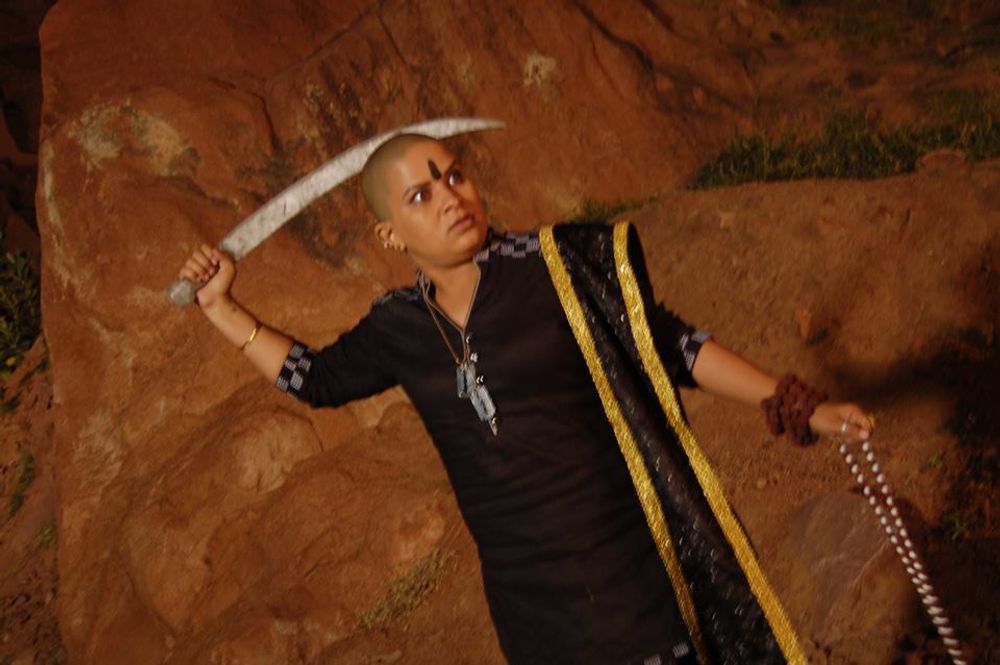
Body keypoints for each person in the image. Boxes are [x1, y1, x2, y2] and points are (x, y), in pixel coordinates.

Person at [178, 133, 873, 665]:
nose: (450, 197)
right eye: (420, 196)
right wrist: (222, 308)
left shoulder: (556, 270)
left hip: (627, 578)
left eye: (454, 176)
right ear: (389, 235)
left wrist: (799, 405)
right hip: (533, 610)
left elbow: (672, 346)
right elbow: (316, 379)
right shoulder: (397, 326)